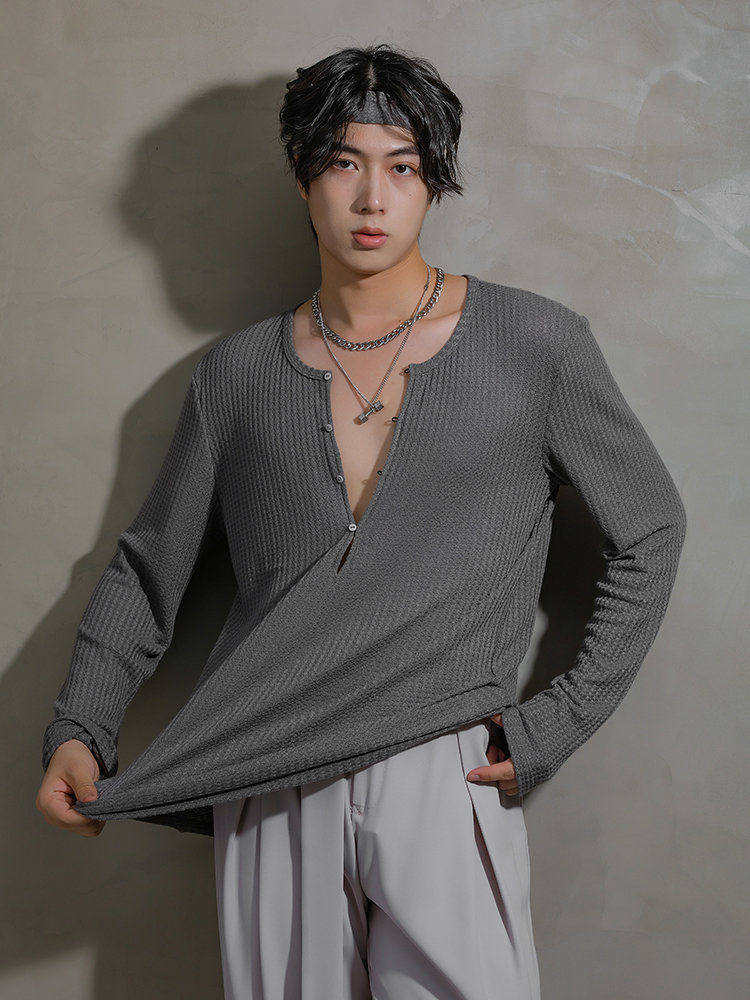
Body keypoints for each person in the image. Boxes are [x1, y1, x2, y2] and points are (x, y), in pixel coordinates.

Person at [36, 43, 686, 1000]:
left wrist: (555, 723)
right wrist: (80, 725)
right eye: (344, 163)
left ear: (434, 182)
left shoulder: (536, 344)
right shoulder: (237, 376)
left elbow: (651, 530)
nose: (373, 198)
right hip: (266, 771)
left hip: (444, 762)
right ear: (305, 178)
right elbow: (147, 569)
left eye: (404, 167)